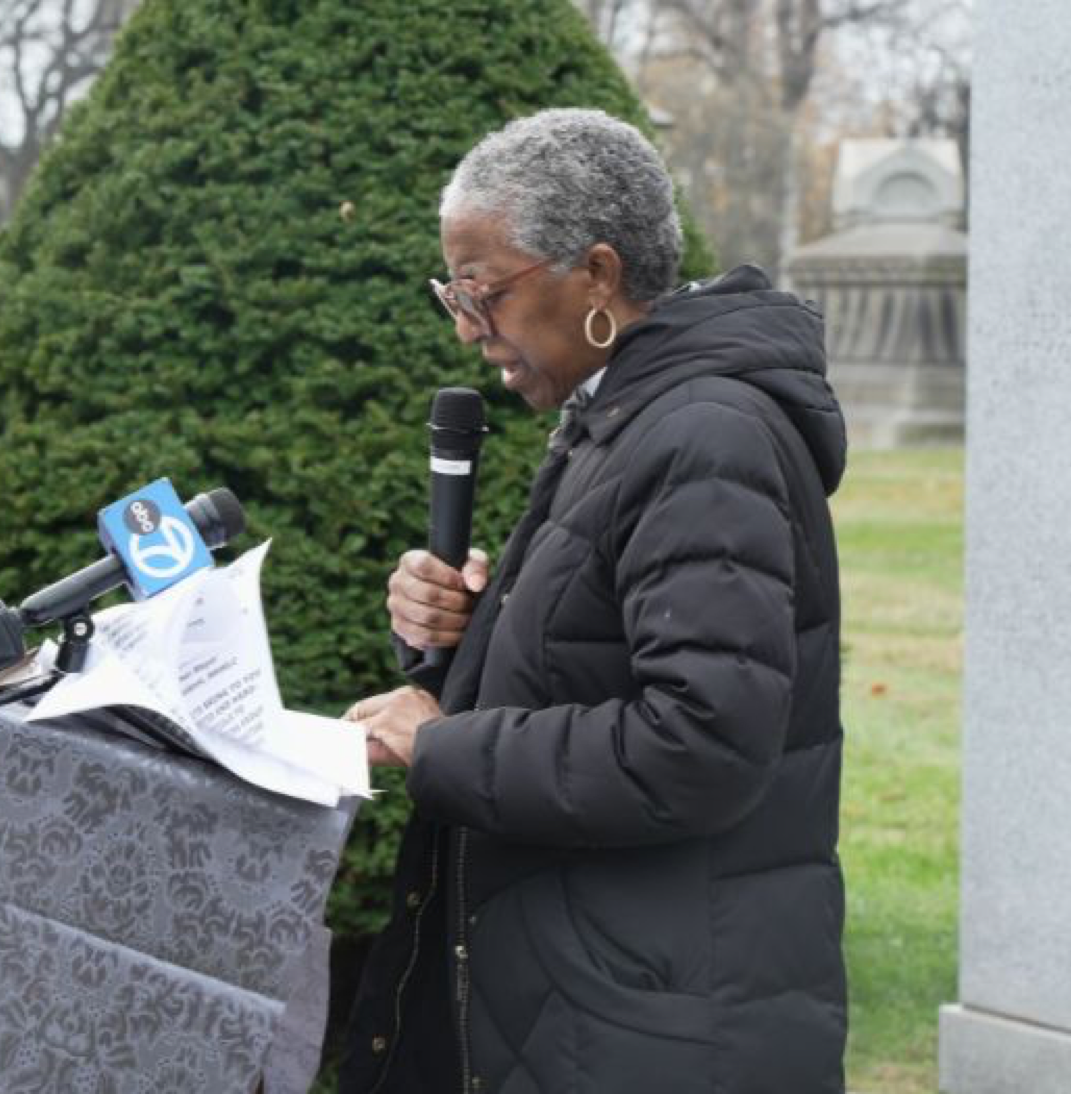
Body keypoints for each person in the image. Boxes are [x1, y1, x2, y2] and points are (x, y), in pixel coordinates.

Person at [339, 107, 848, 1094]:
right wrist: (458, 640)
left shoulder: (704, 436)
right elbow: (600, 663)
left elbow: (697, 746)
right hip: (600, 999)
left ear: (599, 275)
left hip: (655, 1028)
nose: (465, 328)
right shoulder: (629, 417)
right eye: (453, 291)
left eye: (483, 289)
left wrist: (437, 745)